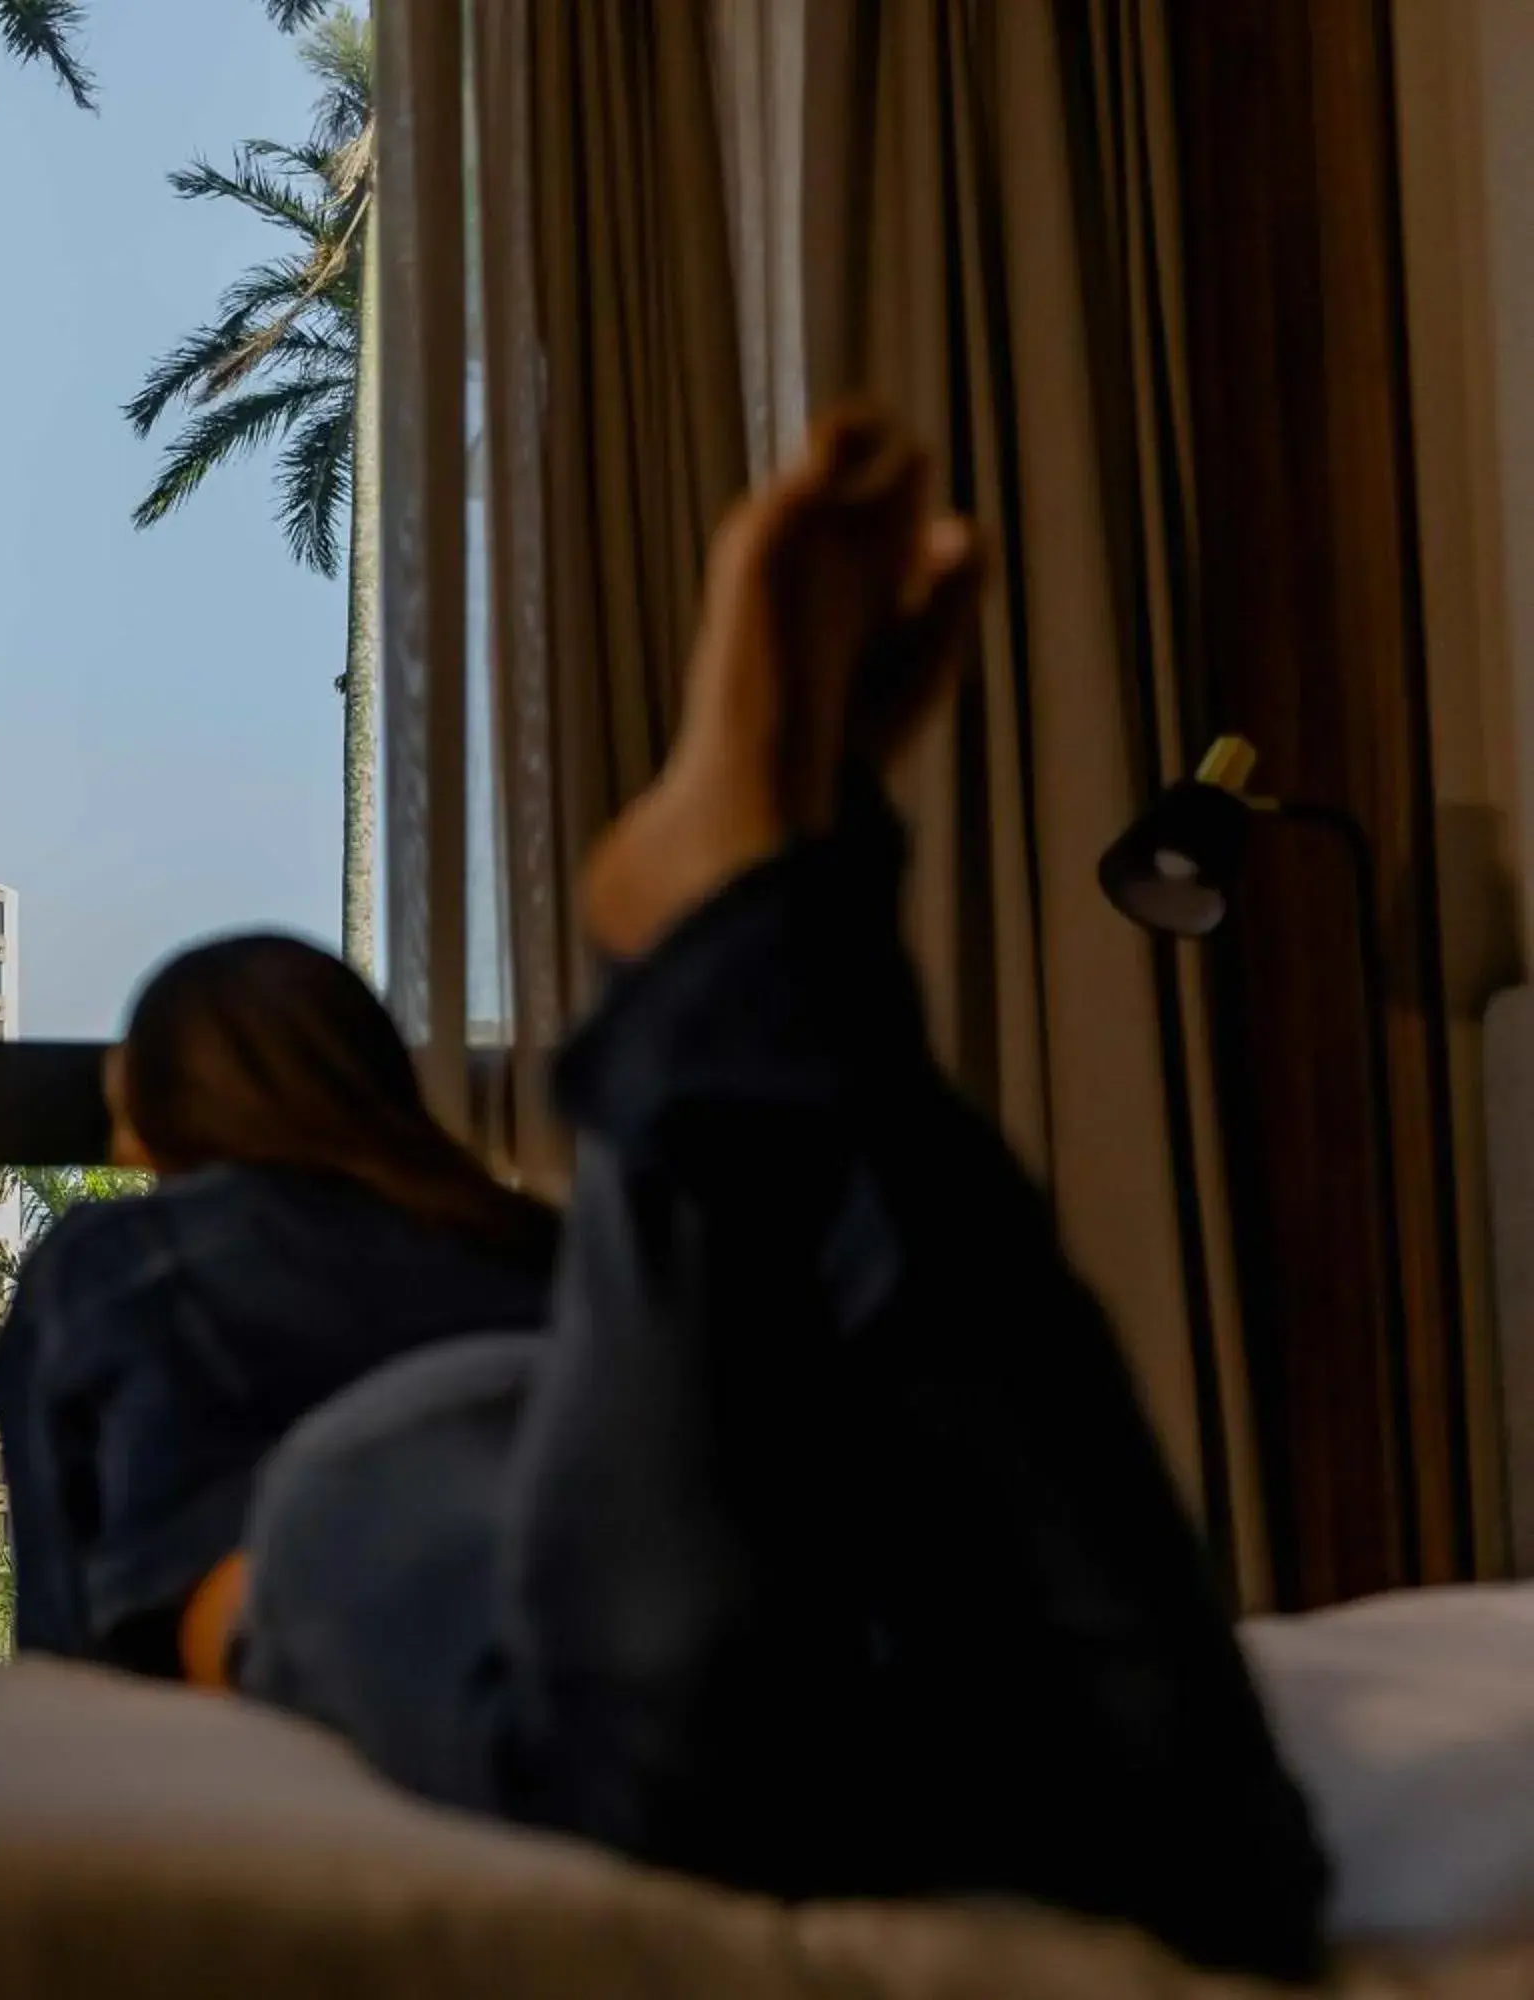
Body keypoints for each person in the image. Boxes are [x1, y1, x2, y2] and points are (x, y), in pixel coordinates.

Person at [234, 408, 1330, 1983]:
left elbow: (109, 1648)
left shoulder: (135, 1268)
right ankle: (787, 910)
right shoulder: (543, 1231)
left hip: (411, 1455)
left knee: (667, 1766)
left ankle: (766, 917)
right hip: (707, 1418)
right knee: (1224, 1865)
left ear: (163, 1128)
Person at [0, 930, 560, 1683]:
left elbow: (63, 1653)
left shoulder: (120, 1262)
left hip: (246, 1715)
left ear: (159, 1113)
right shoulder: (544, 1250)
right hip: (566, 1656)